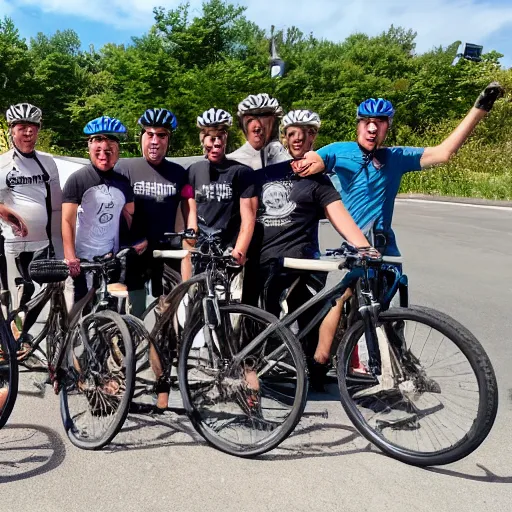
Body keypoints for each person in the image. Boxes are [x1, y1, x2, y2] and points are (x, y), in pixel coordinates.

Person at [291, 82, 505, 369]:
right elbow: (315, 160)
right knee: (340, 302)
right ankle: (320, 365)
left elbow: (443, 153)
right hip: (356, 245)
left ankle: (395, 365)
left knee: (387, 311)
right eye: (367, 122)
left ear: (386, 127)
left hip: (385, 245)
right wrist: (311, 162)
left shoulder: (396, 157)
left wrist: (480, 108)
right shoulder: (340, 151)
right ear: (358, 125)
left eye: (379, 123)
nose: (372, 129)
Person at [248, 109, 375, 389]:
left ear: (312, 138)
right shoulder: (264, 175)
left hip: (302, 260)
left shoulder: (319, 181)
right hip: (264, 258)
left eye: (303, 134)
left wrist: (363, 246)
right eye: (291, 134)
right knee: (258, 317)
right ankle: (252, 370)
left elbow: (338, 214)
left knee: (309, 312)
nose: (297, 139)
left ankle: (312, 367)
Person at [116, 108, 197, 318]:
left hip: (167, 253)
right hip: (135, 253)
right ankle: (128, 349)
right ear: (141, 136)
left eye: (161, 135)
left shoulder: (179, 173)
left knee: (169, 312)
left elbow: (189, 206)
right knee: (134, 314)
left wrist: (190, 239)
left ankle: (163, 351)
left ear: (168, 140)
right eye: (149, 134)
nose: (154, 141)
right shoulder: (124, 167)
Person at [61, 116, 134, 302]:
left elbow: (130, 215)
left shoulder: (123, 182)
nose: (104, 155)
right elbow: (67, 220)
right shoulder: (78, 179)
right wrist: (70, 257)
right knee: (81, 310)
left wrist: (135, 241)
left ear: (117, 152)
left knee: (108, 310)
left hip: (110, 257)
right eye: (98, 150)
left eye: (109, 150)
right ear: (89, 148)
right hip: (82, 258)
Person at [0, 103, 62, 313]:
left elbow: (56, 207)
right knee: (16, 298)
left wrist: (57, 244)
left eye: (32, 126)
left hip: (42, 245)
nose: (28, 132)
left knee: (39, 298)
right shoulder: (3, 164)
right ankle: (11, 342)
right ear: (11, 129)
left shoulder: (47, 162)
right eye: (21, 127)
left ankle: (24, 340)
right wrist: (9, 215)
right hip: (13, 246)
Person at [188, 107, 257, 266]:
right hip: (199, 250)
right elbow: (186, 208)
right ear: (202, 139)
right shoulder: (193, 171)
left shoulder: (242, 173)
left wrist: (240, 250)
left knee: (223, 291)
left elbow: (249, 217)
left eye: (221, 137)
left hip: (228, 250)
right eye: (211, 138)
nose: (217, 143)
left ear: (226, 139)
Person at [227, 93, 290, 169]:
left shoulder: (279, 154)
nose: (257, 128)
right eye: (251, 120)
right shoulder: (232, 161)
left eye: (264, 117)